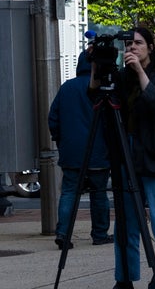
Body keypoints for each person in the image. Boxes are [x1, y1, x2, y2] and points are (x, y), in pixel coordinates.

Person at [89, 27, 155, 289]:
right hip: (128, 156)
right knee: (126, 224)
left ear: (150, 47)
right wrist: (96, 66)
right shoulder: (123, 78)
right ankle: (124, 278)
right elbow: (95, 95)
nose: (132, 48)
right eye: (128, 45)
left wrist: (139, 71)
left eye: (138, 43)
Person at [49, 50, 113, 249]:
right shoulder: (104, 88)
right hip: (98, 150)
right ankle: (100, 233)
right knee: (99, 193)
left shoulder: (67, 87)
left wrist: (61, 141)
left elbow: (53, 119)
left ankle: (63, 233)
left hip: (71, 151)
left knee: (69, 192)